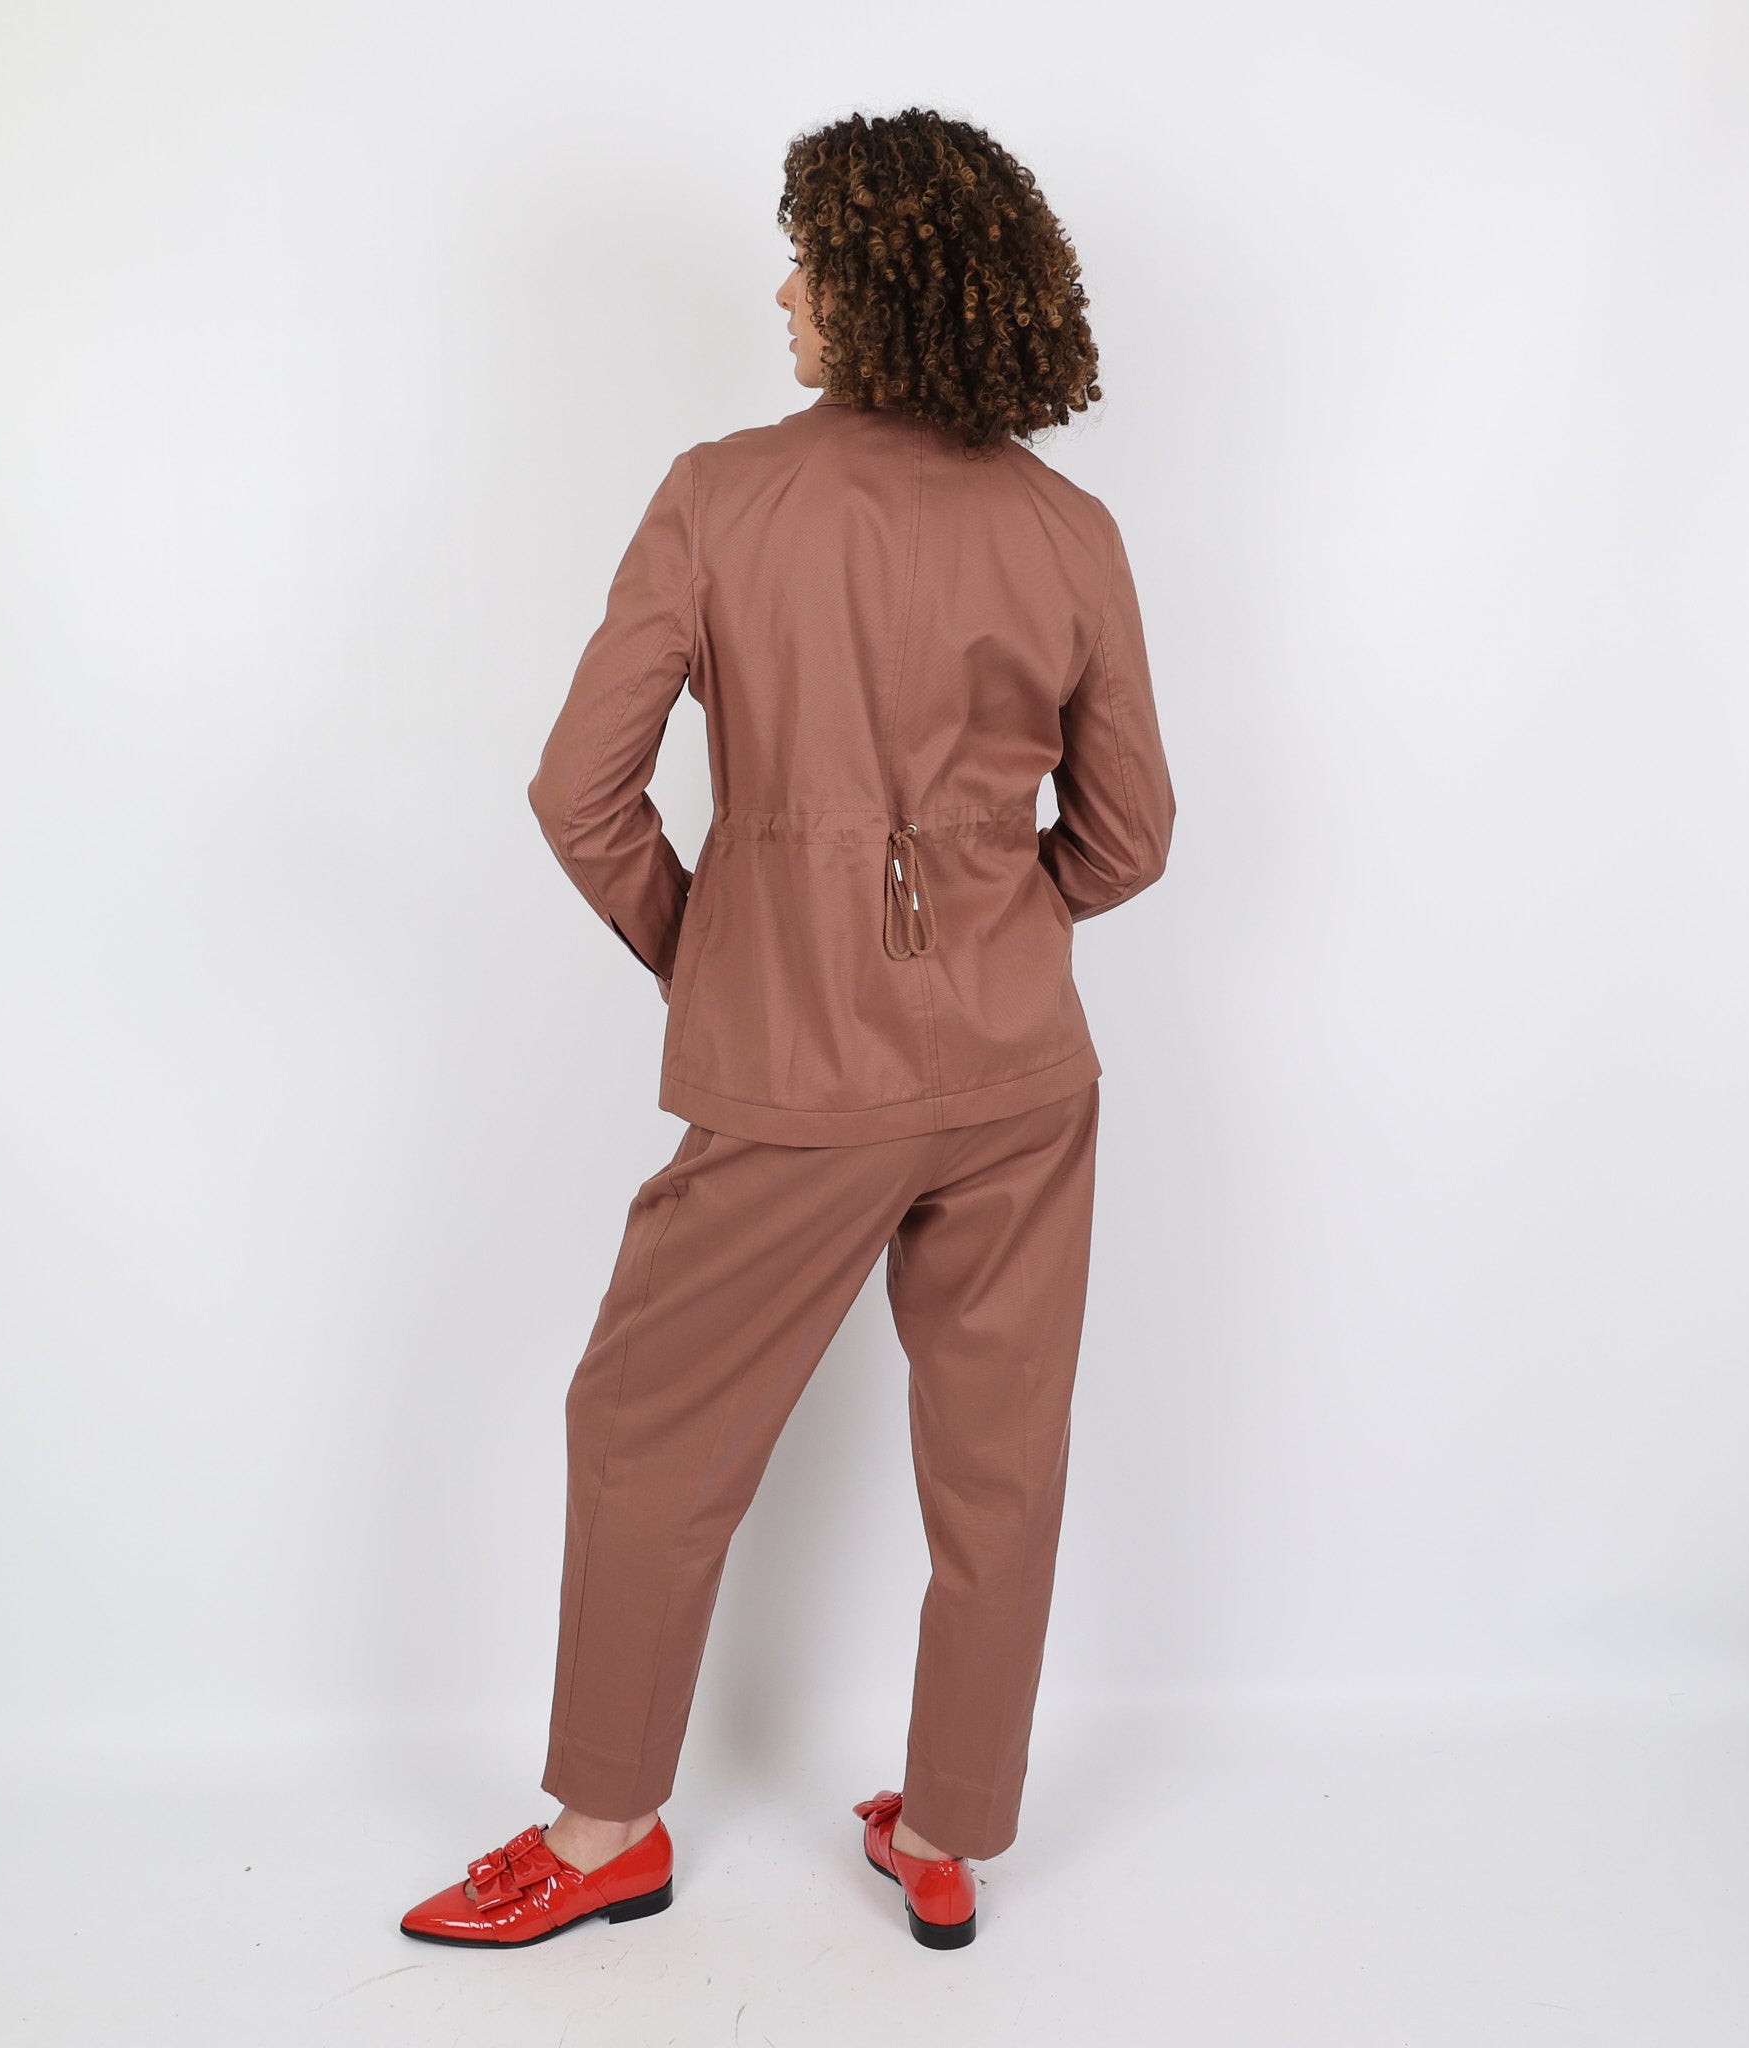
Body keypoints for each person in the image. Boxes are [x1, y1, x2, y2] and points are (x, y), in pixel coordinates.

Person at [400, 105, 1176, 1953]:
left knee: (643, 1424)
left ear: (877, 286)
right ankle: (952, 1832)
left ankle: (604, 1834)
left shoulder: (719, 496)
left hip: (801, 1075)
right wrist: (994, 932)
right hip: (1024, 1077)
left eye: (808, 261)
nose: (783, 291)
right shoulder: (1070, 530)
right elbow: (1131, 840)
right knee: (1000, 1459)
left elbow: (579, 793)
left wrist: (718, 956)